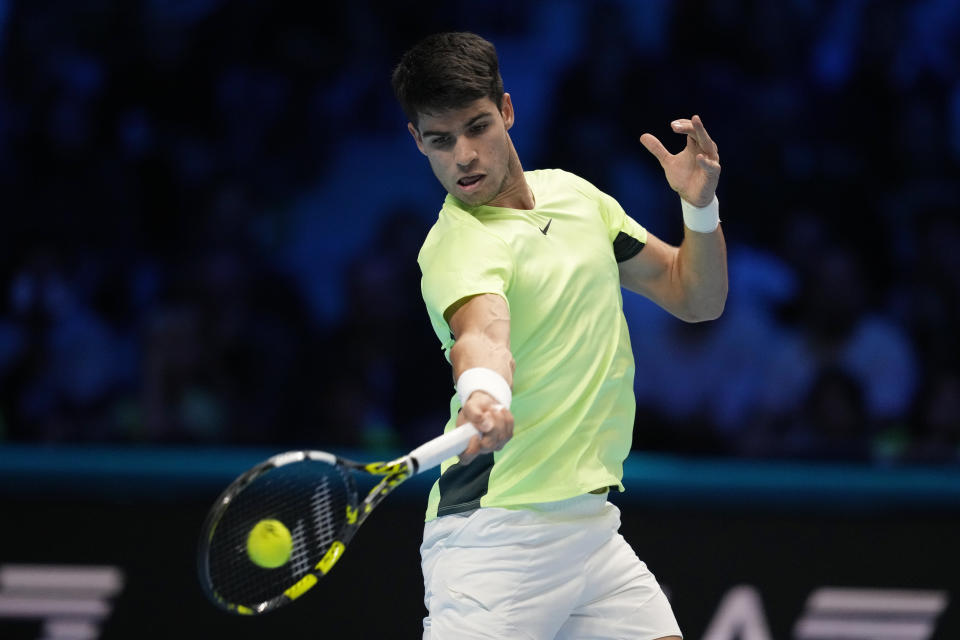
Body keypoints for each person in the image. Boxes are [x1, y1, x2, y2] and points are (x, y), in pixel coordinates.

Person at [391, 31, 727, 640]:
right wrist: (484, 393)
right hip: (496, 539)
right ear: (418, 142)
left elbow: (695, 296)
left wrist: (700, 209)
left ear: (508, 110)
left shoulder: (575, 197)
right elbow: (482, 334)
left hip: (590, 528)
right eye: (440, 141)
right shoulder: (458, 246)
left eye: (477, 127)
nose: (463, 155)